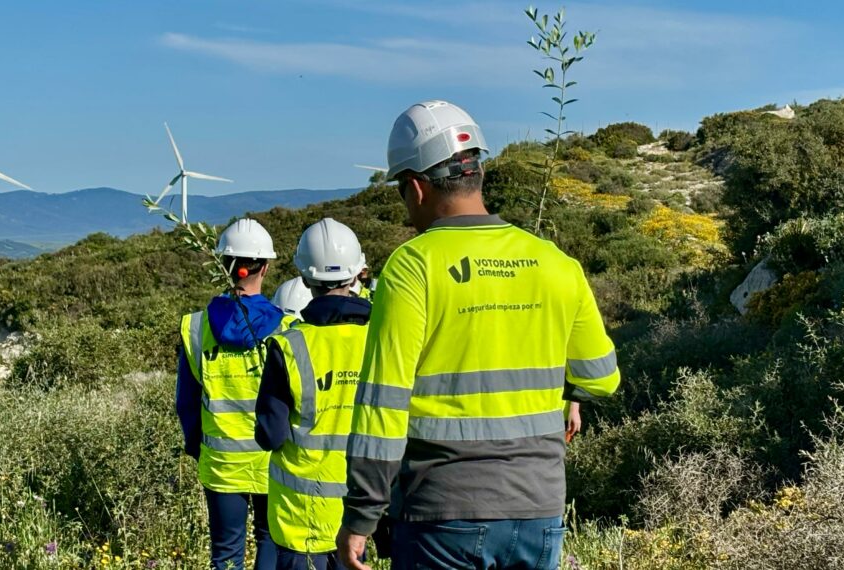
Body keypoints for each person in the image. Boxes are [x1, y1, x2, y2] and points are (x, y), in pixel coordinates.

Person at [336, 100, 621, 570]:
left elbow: (382, 409)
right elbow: (601, 378)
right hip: (539, 513)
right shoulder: (556, 263)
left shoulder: (414, 265)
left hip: (442, 516)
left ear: (416, 187)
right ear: (478, 174)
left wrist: (362, 517)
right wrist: (567, 392)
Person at [255, 218, 373, 570]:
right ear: (357, 275)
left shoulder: (288, 347)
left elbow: (270, 435)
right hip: (358, 517)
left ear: (305, 279)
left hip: (299, 522)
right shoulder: (381, 339)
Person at [175, 218, 282, 570]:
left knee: (226, 552)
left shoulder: (195, 327)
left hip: (220, 464)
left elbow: (186, 403)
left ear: (223, 265)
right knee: (271, 540)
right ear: (264, 266)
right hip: (272, 462)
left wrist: (197, 446)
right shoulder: (287, 328)